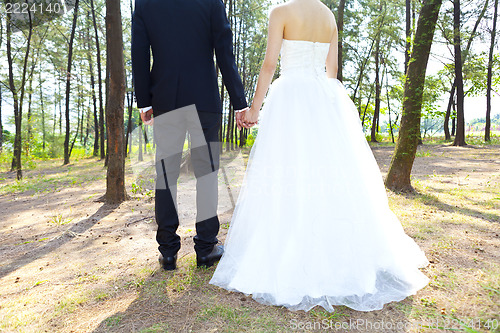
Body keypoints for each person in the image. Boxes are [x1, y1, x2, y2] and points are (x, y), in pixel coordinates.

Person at [210, 0, 430, 312]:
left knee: (287, 170)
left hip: (290, 97)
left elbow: (270, 65)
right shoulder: (327, 15)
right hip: (323, 96)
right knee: (329, 172)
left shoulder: (281, 12)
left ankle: (290, 246)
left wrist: (255, 108)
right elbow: (333, 69)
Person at [131, 0, 250, 270]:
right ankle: (206, 246)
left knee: (166, 172)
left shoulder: (146, 3)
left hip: (164, 96)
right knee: (207, 171)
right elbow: (224, 52)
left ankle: (168, 251)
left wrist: (144, 101)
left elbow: (139, 50)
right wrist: (239, 102)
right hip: (204, 96)